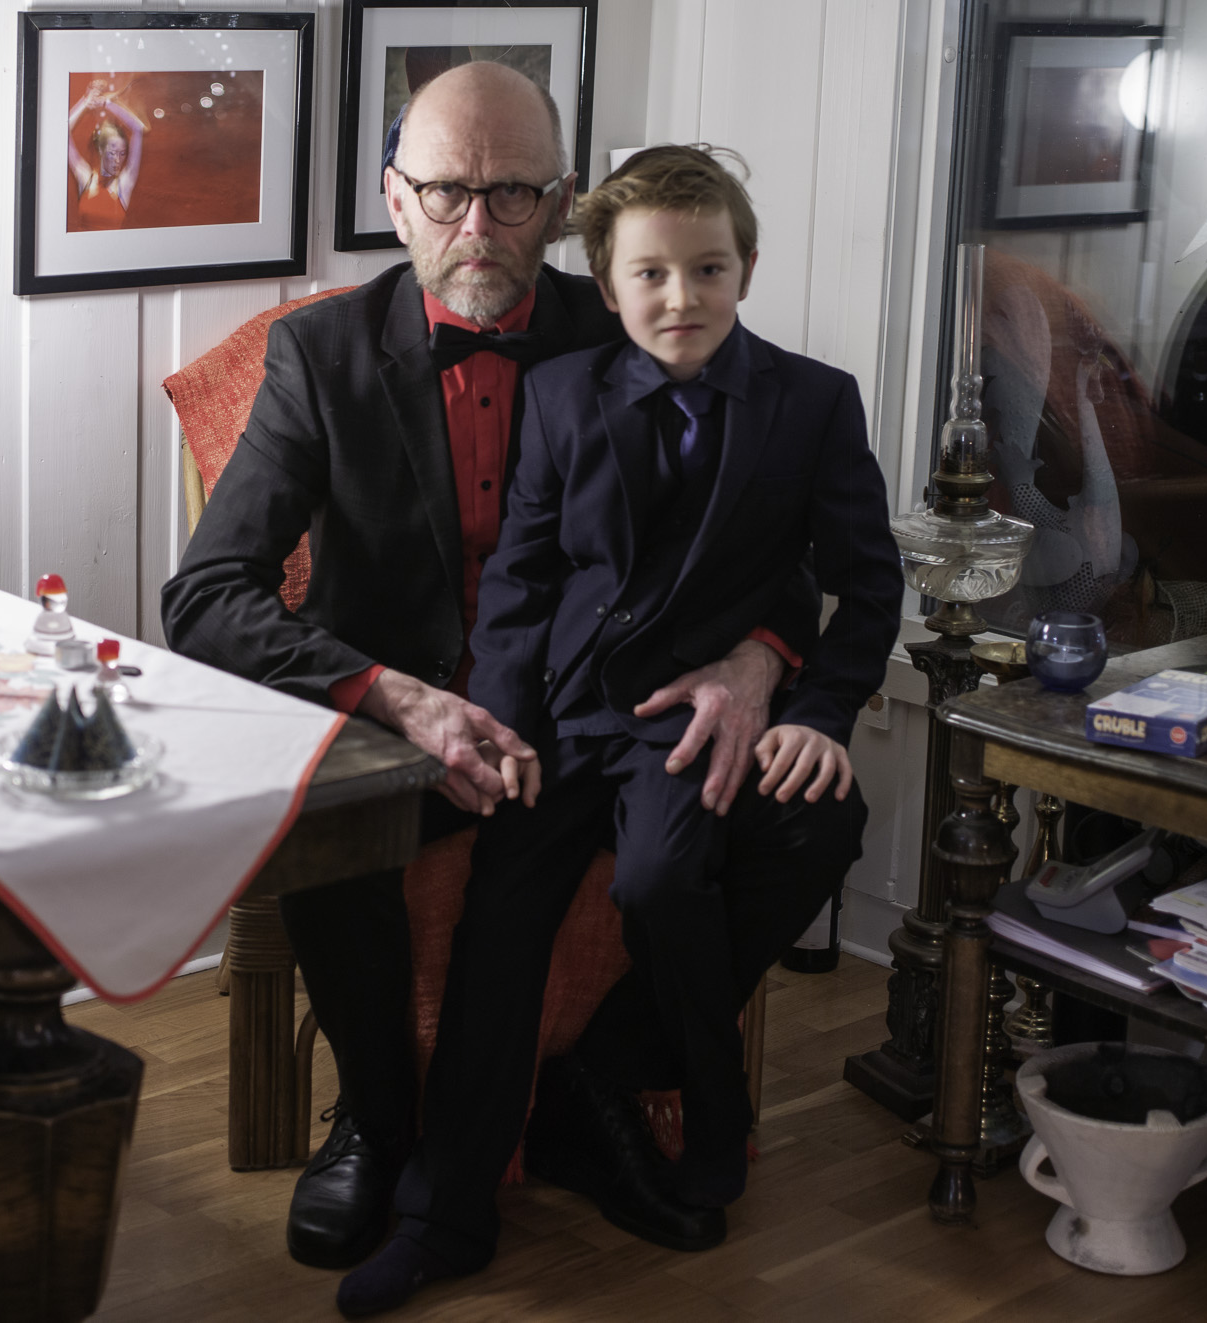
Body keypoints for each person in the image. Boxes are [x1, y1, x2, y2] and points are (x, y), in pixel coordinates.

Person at [161, 64, 812, 1288]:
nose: (478, 225)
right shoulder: (320, 354)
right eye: (447, 192)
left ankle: (599, 1079)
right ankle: (376, 1115)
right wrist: (395, 697)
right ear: (395, 199)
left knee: (804, 815)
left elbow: (775, 529)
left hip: (599, 713)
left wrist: (752, 662)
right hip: (396, 718)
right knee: (322, 813)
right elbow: (207, 595)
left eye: (512, 193)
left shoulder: (634, 315)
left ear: (561, 203)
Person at [334, 145, 903, 1317]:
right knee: (500, 926)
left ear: (748, 267)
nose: (681, 297)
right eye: (650, 274)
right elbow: (523, 579)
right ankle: (445, 1218)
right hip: (557, 715)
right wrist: (498, 725)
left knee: (658, 879)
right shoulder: (563, 393)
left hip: (677, 722)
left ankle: (695, 1106)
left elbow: (865, 584)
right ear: (606, 282)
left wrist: (817, 709)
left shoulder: (812, 402)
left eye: (708, 270)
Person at [68, 80, 144, 230]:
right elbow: (62, 131)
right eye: (112, 153)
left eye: (122, 153)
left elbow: (138, 129)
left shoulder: (125, 183)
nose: (117, 160)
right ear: (101, 150)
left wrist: (107, 103)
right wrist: (86, 101)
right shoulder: (85, 178)